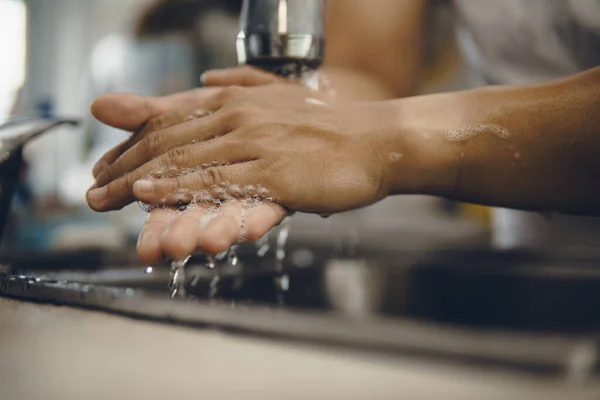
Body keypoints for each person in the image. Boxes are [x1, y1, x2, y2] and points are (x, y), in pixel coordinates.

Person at [86, 0, 600, 264]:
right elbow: (370, 72)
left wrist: (386, 138)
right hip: (536, 260)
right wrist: (297, 111)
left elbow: (377, 126)